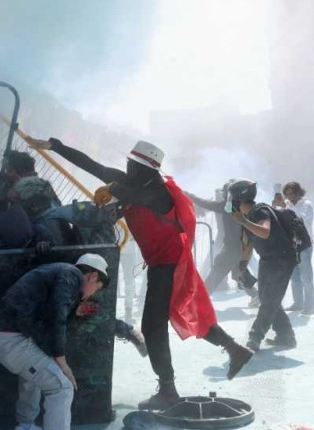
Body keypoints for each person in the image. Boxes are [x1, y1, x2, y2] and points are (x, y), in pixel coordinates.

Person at [25, 137, 253, 410]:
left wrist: (114, 191)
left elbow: (134, 195)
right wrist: (56, 146)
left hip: (170, 265)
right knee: (181, 315)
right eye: (128, 162)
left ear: (147, 169)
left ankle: (168, 389)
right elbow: (92, 165)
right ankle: (234, 349)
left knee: (153, 328)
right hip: (162, 264)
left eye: (133, 164)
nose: (128, 167)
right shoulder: (134, 183)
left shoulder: (157, 191)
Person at [0, 254, 110, 430]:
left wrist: (74, 311)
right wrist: (62, 362)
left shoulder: (59, 273)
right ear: (93, 276)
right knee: (62, 387)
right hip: (10, 339)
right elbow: (57, 316)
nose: (92, 294)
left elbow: (48, 314)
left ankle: (26, 425)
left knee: (34, 375)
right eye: (97, 288)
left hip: (4, 336)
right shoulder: (72, 274)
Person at [229, 180, 299, 350]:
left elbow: (265, 231)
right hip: (267, 259)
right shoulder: (246, 217)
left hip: (282, 258)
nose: (230, 202)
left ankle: (255, 337)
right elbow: (247, 245)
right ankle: (286, 336)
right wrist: (242, 267)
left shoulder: (259, 210)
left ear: (240, 199)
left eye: (232, 198)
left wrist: (243, 222)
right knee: (267, 297)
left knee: (269, 299)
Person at [187, 182, 260, 304]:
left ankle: (198, 301)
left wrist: (188, 195)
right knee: (237, 274)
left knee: (216, 274)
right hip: (238, 247)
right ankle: (257, 295)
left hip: (233, 248)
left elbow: (206, 203)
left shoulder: (230, 207)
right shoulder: (241, 206)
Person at [281, 181, 314, 314]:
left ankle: (310, 305)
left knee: (306, 277)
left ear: (298, 193)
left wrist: (285, 209)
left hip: (304, 244)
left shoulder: (306, 205)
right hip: (291, 245)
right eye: (287, 194)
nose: (289, 196)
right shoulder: (287, 204)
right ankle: (298, 303)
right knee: (294, 277)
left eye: (292, 194)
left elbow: (301, 219)